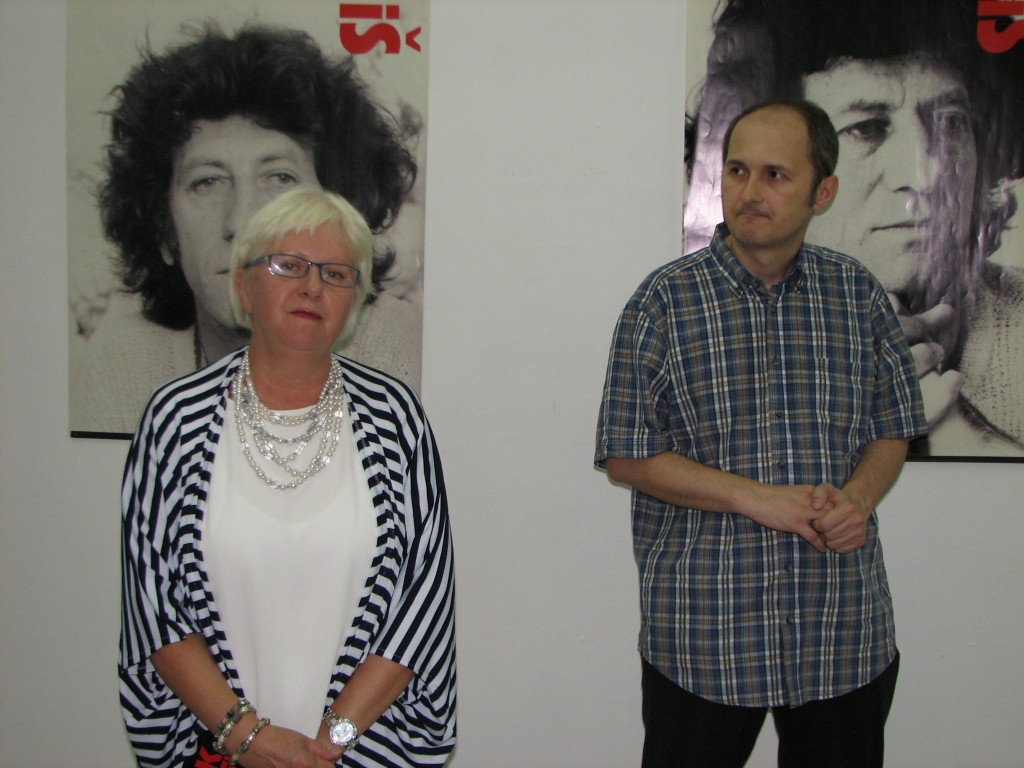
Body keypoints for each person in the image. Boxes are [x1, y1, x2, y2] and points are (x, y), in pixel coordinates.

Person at [596, 100, 926, 766]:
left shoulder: (858, 296)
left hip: (840, 632)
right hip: (704, 637)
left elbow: (893, 427)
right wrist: (756, 499)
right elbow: (627, 455)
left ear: (822, 192)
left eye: (775, 174)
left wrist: (858, 500)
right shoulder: (662, 302)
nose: (749, 191)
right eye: (738, 170)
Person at [119, 188, 455, 768]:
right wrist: (248, 738)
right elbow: (154, 608)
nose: (312, 287)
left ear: (354, 301)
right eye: (288, 266)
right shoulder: (174, 419)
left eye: (336, 273)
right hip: (218, 748)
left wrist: (330, 746)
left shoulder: (396, 418)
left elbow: (422, 602)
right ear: (245, 287)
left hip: (362, 749)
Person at [682, 0, 1024, 456]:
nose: (925, 174)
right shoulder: (695, 327)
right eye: (866, 128)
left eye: (951, 123)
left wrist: (958, 434)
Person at [75, 22, 422, 435]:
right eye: (207, 182)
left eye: (279, 178)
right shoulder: (121, 365)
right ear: (165, 231)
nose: (241, 222)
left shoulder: (393, 350)